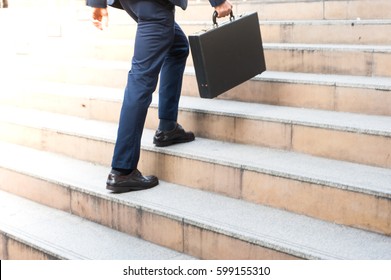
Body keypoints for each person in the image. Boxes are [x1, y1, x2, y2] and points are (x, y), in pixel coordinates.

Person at [87, 0, 232, 193]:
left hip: (133, 3)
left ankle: (167, 128)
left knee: (178, 46)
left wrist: (98, 3)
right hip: (154, 6)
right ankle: (122, 170)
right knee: (140, 80)